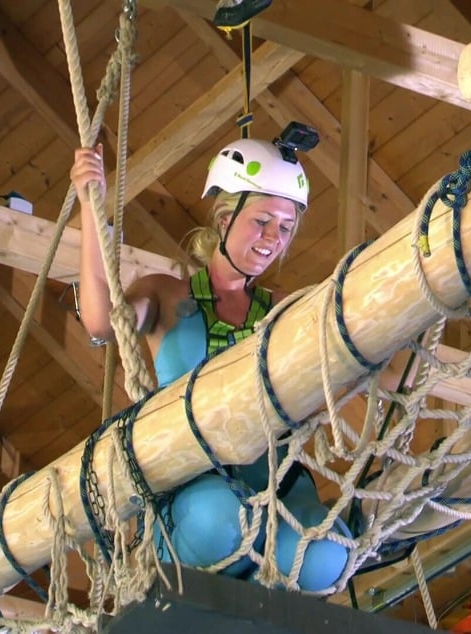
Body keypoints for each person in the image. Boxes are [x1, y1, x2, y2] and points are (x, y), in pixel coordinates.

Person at [71, 135, 351, 591]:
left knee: (325, 557)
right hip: (192, 491)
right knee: (219, 522)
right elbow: (102, 323)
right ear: (224, 218)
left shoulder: (286, 309)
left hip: (278, 489)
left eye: (284, 228)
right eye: (261, 221)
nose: (271, 239)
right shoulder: (167, 294)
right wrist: (90, 210)